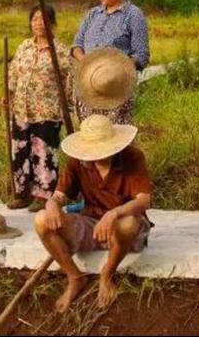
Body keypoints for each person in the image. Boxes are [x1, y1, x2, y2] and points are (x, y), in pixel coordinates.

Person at [34, 115, 152, 313]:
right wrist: (52, 204)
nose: (95, 157)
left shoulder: (132, 157)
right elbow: (58, 196)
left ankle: (107, 274)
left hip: (124, 227)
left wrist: (113, 214)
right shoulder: (78, 162)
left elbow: (143, 201)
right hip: (91, 225)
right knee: (41, 220)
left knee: (128, 224)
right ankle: (74, 276)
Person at [2, 4, 74, 213]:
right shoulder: (25, 46)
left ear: (52, 23)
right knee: (20, 150)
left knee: (43, 151)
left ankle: (44, 196)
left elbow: (69, 81)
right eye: (34, 19)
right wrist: (8, 94)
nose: (38, 23)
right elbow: (13, 73)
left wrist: (68, 105)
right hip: (21, 109)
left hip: (47, 111)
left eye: (42, 19)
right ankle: (22, 193)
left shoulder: (60, 51)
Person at [71, 0, 149, 124]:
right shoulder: (93, 14)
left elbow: (142, 55)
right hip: (88, 87)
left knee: (116, 139)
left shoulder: (133, 15)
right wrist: (87, 62)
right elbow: (76, 45)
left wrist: (114, 67)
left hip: (116, 90)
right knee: (92, 136)